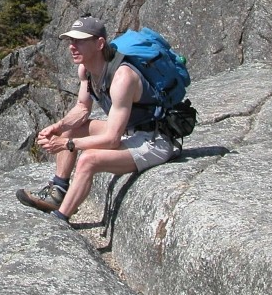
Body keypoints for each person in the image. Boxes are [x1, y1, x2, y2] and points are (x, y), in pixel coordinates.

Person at [16, 16, 181, 226]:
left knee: (88, 160)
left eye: (80, 41)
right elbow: (82, 108)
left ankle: (61, 220)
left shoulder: (122, 78)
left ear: (99, 44)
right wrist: (59, 128)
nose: (72, 47)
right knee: (71, 130)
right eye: (71, 41)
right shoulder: (86, 70)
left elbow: (112, 139)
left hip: (152, 141)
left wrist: (67, 144)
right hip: (128, 132)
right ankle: (58, 191)